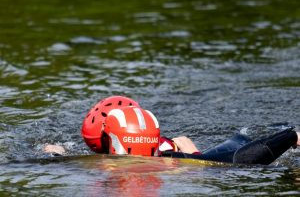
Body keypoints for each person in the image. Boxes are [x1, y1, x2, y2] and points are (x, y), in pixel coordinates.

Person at [45, 96, 300, 165]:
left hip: (232, 147)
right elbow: (183, 141)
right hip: (215, 153)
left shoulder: (98, 166)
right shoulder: (170, 155)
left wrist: (56, 153)